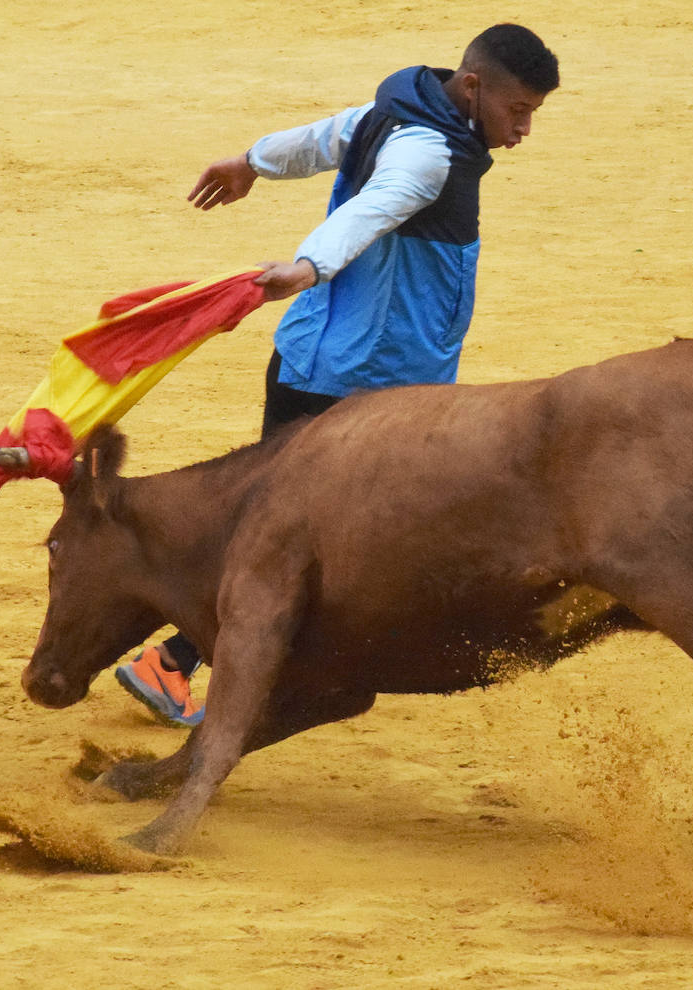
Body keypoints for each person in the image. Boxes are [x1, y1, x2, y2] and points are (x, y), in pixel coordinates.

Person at [114, 24, 560, 727]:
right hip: (355, 388)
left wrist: (251, 162)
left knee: (272, 536)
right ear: (473, 88)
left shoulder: (395, 115)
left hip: (326, 365)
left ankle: (181, 657)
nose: (525, 128)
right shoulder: (427, 155)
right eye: (519, 110)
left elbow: (322, 138)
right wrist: (308, 265)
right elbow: (369, 213)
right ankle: (178, 660)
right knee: (282, 545)